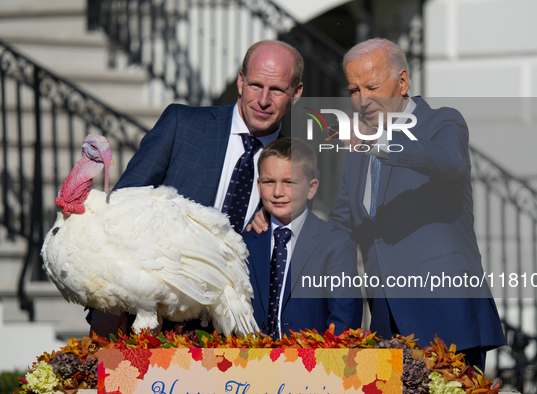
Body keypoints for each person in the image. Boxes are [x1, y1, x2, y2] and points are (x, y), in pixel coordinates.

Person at [250, 38, 504, 370]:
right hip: (386, 322)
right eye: (354, 90)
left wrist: (379, 141)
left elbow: (449, 160)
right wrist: (280, 216)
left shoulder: (441, 122)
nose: (363, 100)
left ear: (402, 82)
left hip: (445, 314)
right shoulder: (359, 153)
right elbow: (340, 225)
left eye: (372, 86)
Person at [88, 40, 304, 337]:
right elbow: (117, 213)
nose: (263, 100)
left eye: (277, 90)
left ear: (296, 93)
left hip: (234, 336)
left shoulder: (298, 167)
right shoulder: (182, 125)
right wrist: (104, 306)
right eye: (255, 85)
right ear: (240, 81)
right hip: (148, 324)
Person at [242, 138, 362, 338]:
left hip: (314, 364)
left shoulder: (335, 243)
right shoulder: (244, 242)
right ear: (258, 185)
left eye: (289, 182)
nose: (278, 192)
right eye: (269, 182)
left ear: (311, 188)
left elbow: (345, 320)